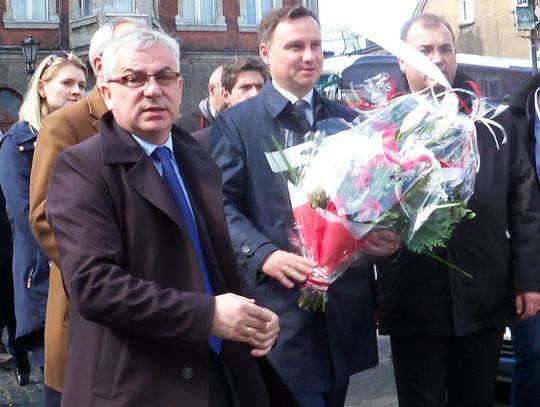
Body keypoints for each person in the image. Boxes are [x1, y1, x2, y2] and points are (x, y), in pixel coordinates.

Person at [44, 28, 297, 407]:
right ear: (108, 93)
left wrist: (254, 313)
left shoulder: (196, 156)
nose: (152, 90)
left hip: (217, 371)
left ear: (179, 87)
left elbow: (215, 260)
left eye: (164, 77)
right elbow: (94, 286)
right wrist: (206, 315)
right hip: (138, 382)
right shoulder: (81, 167)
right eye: (133, 78)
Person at [209, 6, 400, 407]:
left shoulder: (349, 121)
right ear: (266, 53)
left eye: (316, 45)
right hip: (281, 314)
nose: (309, 56)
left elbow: (368, 199)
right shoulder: (238, 124)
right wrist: (263, 254)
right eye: (295, 46)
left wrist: (378, 235)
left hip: (341, 317)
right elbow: (218, 206)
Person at [375, 13, 540, 407]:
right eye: (425, 50)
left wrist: (528, 280)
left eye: (445, 49)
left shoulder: (494, 122)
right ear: (402, 60)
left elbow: (524, 206)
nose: (437, 58)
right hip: (415, 302)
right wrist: (373, 297)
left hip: (484, 298)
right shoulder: (380, 129)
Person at [28, 17, 145, 405]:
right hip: (87, 305)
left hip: (152, 307)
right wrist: (106, 273)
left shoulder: (151, 117)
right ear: (100, 65)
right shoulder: (67, 123)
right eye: (133, 44)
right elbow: (43, 216)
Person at [0, 52, 87, 387]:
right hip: (43, 274)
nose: (77, 91)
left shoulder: (87, 137)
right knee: (60, 382)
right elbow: (25, 214)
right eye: (67, 83)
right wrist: (81, 254)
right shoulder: (17, 143)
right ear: (42, 88)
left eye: (82, 84)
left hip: (88, 273)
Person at [507, 73, 540, 407]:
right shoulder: (510, 120)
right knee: (533, 354)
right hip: (530, 262)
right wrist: (525, 279)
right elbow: (514, 204)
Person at [192, 57, 269, 149]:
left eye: (259, 87)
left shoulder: (279, 138)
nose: (255, 94)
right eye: (245, 87)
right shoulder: (201, 143)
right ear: (226, 95)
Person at [175, 65, 226, 133]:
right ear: (212, 89)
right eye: (226, 91)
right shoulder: (183, 126)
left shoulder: (238, 121)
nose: (230, 96)